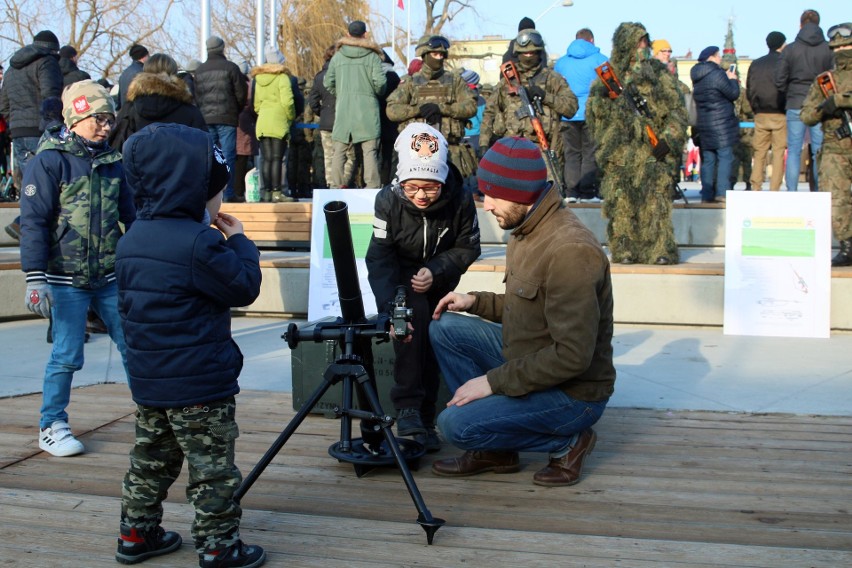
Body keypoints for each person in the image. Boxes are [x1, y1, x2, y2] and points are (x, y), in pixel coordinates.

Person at [115, 123, 264, 567]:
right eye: (215, 191)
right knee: (211, 470)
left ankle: (135, 534)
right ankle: (219, 546)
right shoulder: (200, 242)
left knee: (150, 459)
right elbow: (243, 287)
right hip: (199, 386)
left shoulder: (131, 239)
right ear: (193, 190)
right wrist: (239, 241)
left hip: (150, 381)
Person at [428, 136, 615, 487]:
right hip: (531, 357)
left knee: (455, 426)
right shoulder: (525, 227)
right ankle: (496, 450)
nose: (485, 205)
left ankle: (570, 440)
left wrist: (492, 382)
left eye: (492, 194)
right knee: (446, 328)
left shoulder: (570, 251)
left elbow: (573, 357)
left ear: (520, 191)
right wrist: (475, 301)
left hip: (574, 394)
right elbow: (528, 308)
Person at [19, 80, 134, 457]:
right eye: (97, 118)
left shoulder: (114, 162)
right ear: (76, 117)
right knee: (67, 354)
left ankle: (153, 413)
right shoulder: (49, 161)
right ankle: (51, 424)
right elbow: (34, 222)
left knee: (134, 345)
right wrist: (35, 278)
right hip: (64, 278)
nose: (105, 126)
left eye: (109, 119)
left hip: (109, 276)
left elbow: (131, 217)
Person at [365, 123, 481, 451]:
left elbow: (468, 247)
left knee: (437, 331)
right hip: (402, 279)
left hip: (440, 278)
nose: (420, 195)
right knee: (411, 322)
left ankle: (428, 416)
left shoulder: (459, 198)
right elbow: (379, 257)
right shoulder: (387, 201)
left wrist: (436, 269)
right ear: (401, 181)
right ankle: (409, 410)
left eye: (430, 188)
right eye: (412, 187)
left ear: (443, 181)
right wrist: (389, 308)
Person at [586, 22, 687, 265]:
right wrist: (606, 102)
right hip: (619, 153)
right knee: (621, 205)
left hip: (653, 152)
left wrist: (668, 140)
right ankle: (624, 249)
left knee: (656, 203)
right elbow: (594, 116)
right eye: (637, 43)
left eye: (645, 42)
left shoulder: (659, 74)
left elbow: (677, 111)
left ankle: (660, 249)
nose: (642, 48)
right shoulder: (607, 77)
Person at [481, 29, 578, 187]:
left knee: (548, 198)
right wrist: (484, 144)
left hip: (544, 149)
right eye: (524, 52)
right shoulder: (507, 82)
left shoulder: (552, 79)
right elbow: (489, 113)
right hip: (512, 150)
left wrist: (545, 96)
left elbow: (571, 107)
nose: (528, 55)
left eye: (532, 51)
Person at [385, 35, 478, 182]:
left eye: (442, 55)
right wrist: (418, 110)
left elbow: (471, 106)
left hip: (450, 151)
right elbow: (392, 110)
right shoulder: (410, 82)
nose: (439, 58)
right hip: (417, 153)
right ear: (424, 55)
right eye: (435, 54)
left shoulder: (455, 81)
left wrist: (441, 109)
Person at [0, 30, 63, 239]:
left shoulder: (11, 69)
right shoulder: (47, 62)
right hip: (39, 130)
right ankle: (26, 225)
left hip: (18, 133)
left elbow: (4, 105)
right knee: (48, 183)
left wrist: (15, 125)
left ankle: (26, 226)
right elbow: (50, 96)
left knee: (31, 183)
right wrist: (54, 128)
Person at [801, 23, 852, 266]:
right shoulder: (824, 81)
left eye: (847, 46)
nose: (843, 50)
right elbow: (806, 116)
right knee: (837, 197)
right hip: (835, 146)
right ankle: (846, 245)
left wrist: (841, 100)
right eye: (839, 47)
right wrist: (825, 107)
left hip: (836, 147)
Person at [775, 9, 834, 192]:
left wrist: (790, 93)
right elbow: (832, 78)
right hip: (819, 105)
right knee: (818, 150)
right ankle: (817, 191)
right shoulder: (828, 48)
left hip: (795, 102)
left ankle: (792, 191)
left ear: (800, 25)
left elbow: (779, 79)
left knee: (793, 150)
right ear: (819, 24)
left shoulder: (790, 49)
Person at [323, 20, 387, 189]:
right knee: (369, 151)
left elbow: (328, 82)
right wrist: (372, 93)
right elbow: (380, 83)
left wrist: (342, 93)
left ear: (348, 34)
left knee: (339, 151)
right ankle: (372, 186)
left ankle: (336, 186)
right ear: (365, 35)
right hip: (368, 110)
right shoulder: (373, 57)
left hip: (344, 109)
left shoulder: (338, 57)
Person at [108, 52, 207, 151]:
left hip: (139, 163)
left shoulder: (129, 109)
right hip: (182, 164)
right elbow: (206, 150)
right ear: (174, 74)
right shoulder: (190, 111)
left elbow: (116, 146)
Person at [554, 28, 608, 203]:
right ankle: (586, 192)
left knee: (571, 153)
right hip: (591, 113)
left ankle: (571, 191)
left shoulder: (561, 63)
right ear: (591, 40)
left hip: (567, 115)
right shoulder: (600, 60)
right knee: (589, 152)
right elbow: (611, 85)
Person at [195, 36, 248, 201]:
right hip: (227, 117)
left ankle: (209, 195)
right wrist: (235, 110)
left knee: (209, 156)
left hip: (206, 118)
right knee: (227, 156)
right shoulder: (231, 68)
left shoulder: (200, 71)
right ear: (222, 48)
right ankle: (228, 193)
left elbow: (197, 96)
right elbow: (241, 93)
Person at [691, 46, 740, 203]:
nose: (720, 59)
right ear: (711, 58)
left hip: (704, 124)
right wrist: (732, 79)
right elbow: (733, 94)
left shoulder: (697, 76)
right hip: (722, 124)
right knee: (725, 157)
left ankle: (706, 194)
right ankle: (722, 192)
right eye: (718, 56)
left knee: (709, 159)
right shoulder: (718, 75)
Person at [251, 46, 296, 203]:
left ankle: (267, 192)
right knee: (277, 158)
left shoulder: (258, 79)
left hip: (263, 120)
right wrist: (290, 116)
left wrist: (263, 111)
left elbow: (255, 104)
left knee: (266, 158)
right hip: (278, 120)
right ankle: (277, 192)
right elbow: (288, 101)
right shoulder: (282, 77)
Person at [747, 31, 788, 191]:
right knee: (778, 152)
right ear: (782, 44)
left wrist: (755, 107)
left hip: (760, 113)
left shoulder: (756, 63)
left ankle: (756, 185)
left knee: (759, 151)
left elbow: (750, 88)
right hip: (780, 113)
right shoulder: (784, 62)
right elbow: (786, 87)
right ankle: (774, 187)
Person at [117, 44, 149, 110]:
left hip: (125, 113)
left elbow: (120, 99)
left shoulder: (124, 74)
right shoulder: (142, 73)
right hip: (137, 113)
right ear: (144, 57)